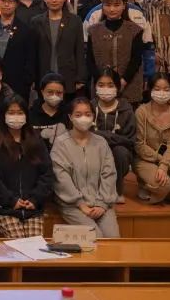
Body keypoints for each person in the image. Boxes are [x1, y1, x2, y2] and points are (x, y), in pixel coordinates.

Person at [0, 94, 54, 237]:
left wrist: (35, 199)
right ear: (3, 115)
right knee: (18, 244)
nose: (16, 117)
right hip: (6, 209)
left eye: (20, 113)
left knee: (35, 246)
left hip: (33, 208)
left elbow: (46, 173)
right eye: (11, 113)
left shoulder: (36, 140)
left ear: (26, 115)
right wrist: (11, 201)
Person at [51, 98, 120, 237]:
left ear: (93, 116)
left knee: (113, 238)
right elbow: (61, 178)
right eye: (78, 114)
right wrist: (80, 204)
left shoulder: (101, 142)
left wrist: (102, 204)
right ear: (70, 117)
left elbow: (109, 173)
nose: (83, 118)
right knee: (95, 237)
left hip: (101, 203)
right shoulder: (61, 144)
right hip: (72, 205)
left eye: (88, 114)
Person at [133, 73, 170, 207]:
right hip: (145, 160)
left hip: (167, 160)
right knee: (164, 185)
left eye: (166, 89)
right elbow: (139, 145)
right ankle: (158, 187)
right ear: (150, 90)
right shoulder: (141, 112)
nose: (162, 93)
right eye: (157, 89)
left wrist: (164, 165)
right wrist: (162, 162)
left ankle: (167, 191)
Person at [86, 0, 144, 106]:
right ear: (102, 6)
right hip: (101, 86)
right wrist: (101, 81)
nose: (112, 9)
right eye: (108, 5)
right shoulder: (93, 30)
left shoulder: (135, 30)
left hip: (129, 85)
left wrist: (124, 81)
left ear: (124, 6)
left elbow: (136, 59)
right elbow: (90, 60)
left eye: (117, 5)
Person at [31, 0, 87, 98]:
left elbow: (79, 50)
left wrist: (80, 78)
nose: (54, 0)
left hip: (68, 77)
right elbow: (33, 53)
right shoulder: (36, 22)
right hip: (43, 76)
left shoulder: (75, 21)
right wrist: (32, 78)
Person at [91, 67, 136, 202]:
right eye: (101, 85)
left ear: (117, 87)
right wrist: (111, 137)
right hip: (94, 148)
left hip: (118, 150)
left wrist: (102, 136)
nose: (106, 89)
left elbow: (129, 140)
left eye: (110, 85)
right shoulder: (89, 107)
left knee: (121, 152)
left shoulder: (126, 109)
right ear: (95, 87)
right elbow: (86, 133)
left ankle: (116, 189)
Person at [0, 0, 38, 100]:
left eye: (10, 1)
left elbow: (31, 59)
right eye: (3, 1)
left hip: (18, 84)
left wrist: (27, 81)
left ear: (17, 4)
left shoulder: (26, 30)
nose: (6, 4)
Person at [28, 73, 70, 152]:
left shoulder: (69, 113)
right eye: (50, 92)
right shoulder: (30, 114)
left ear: (64, 93)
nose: (54, 96)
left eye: (59, 93)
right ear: (42, 92)